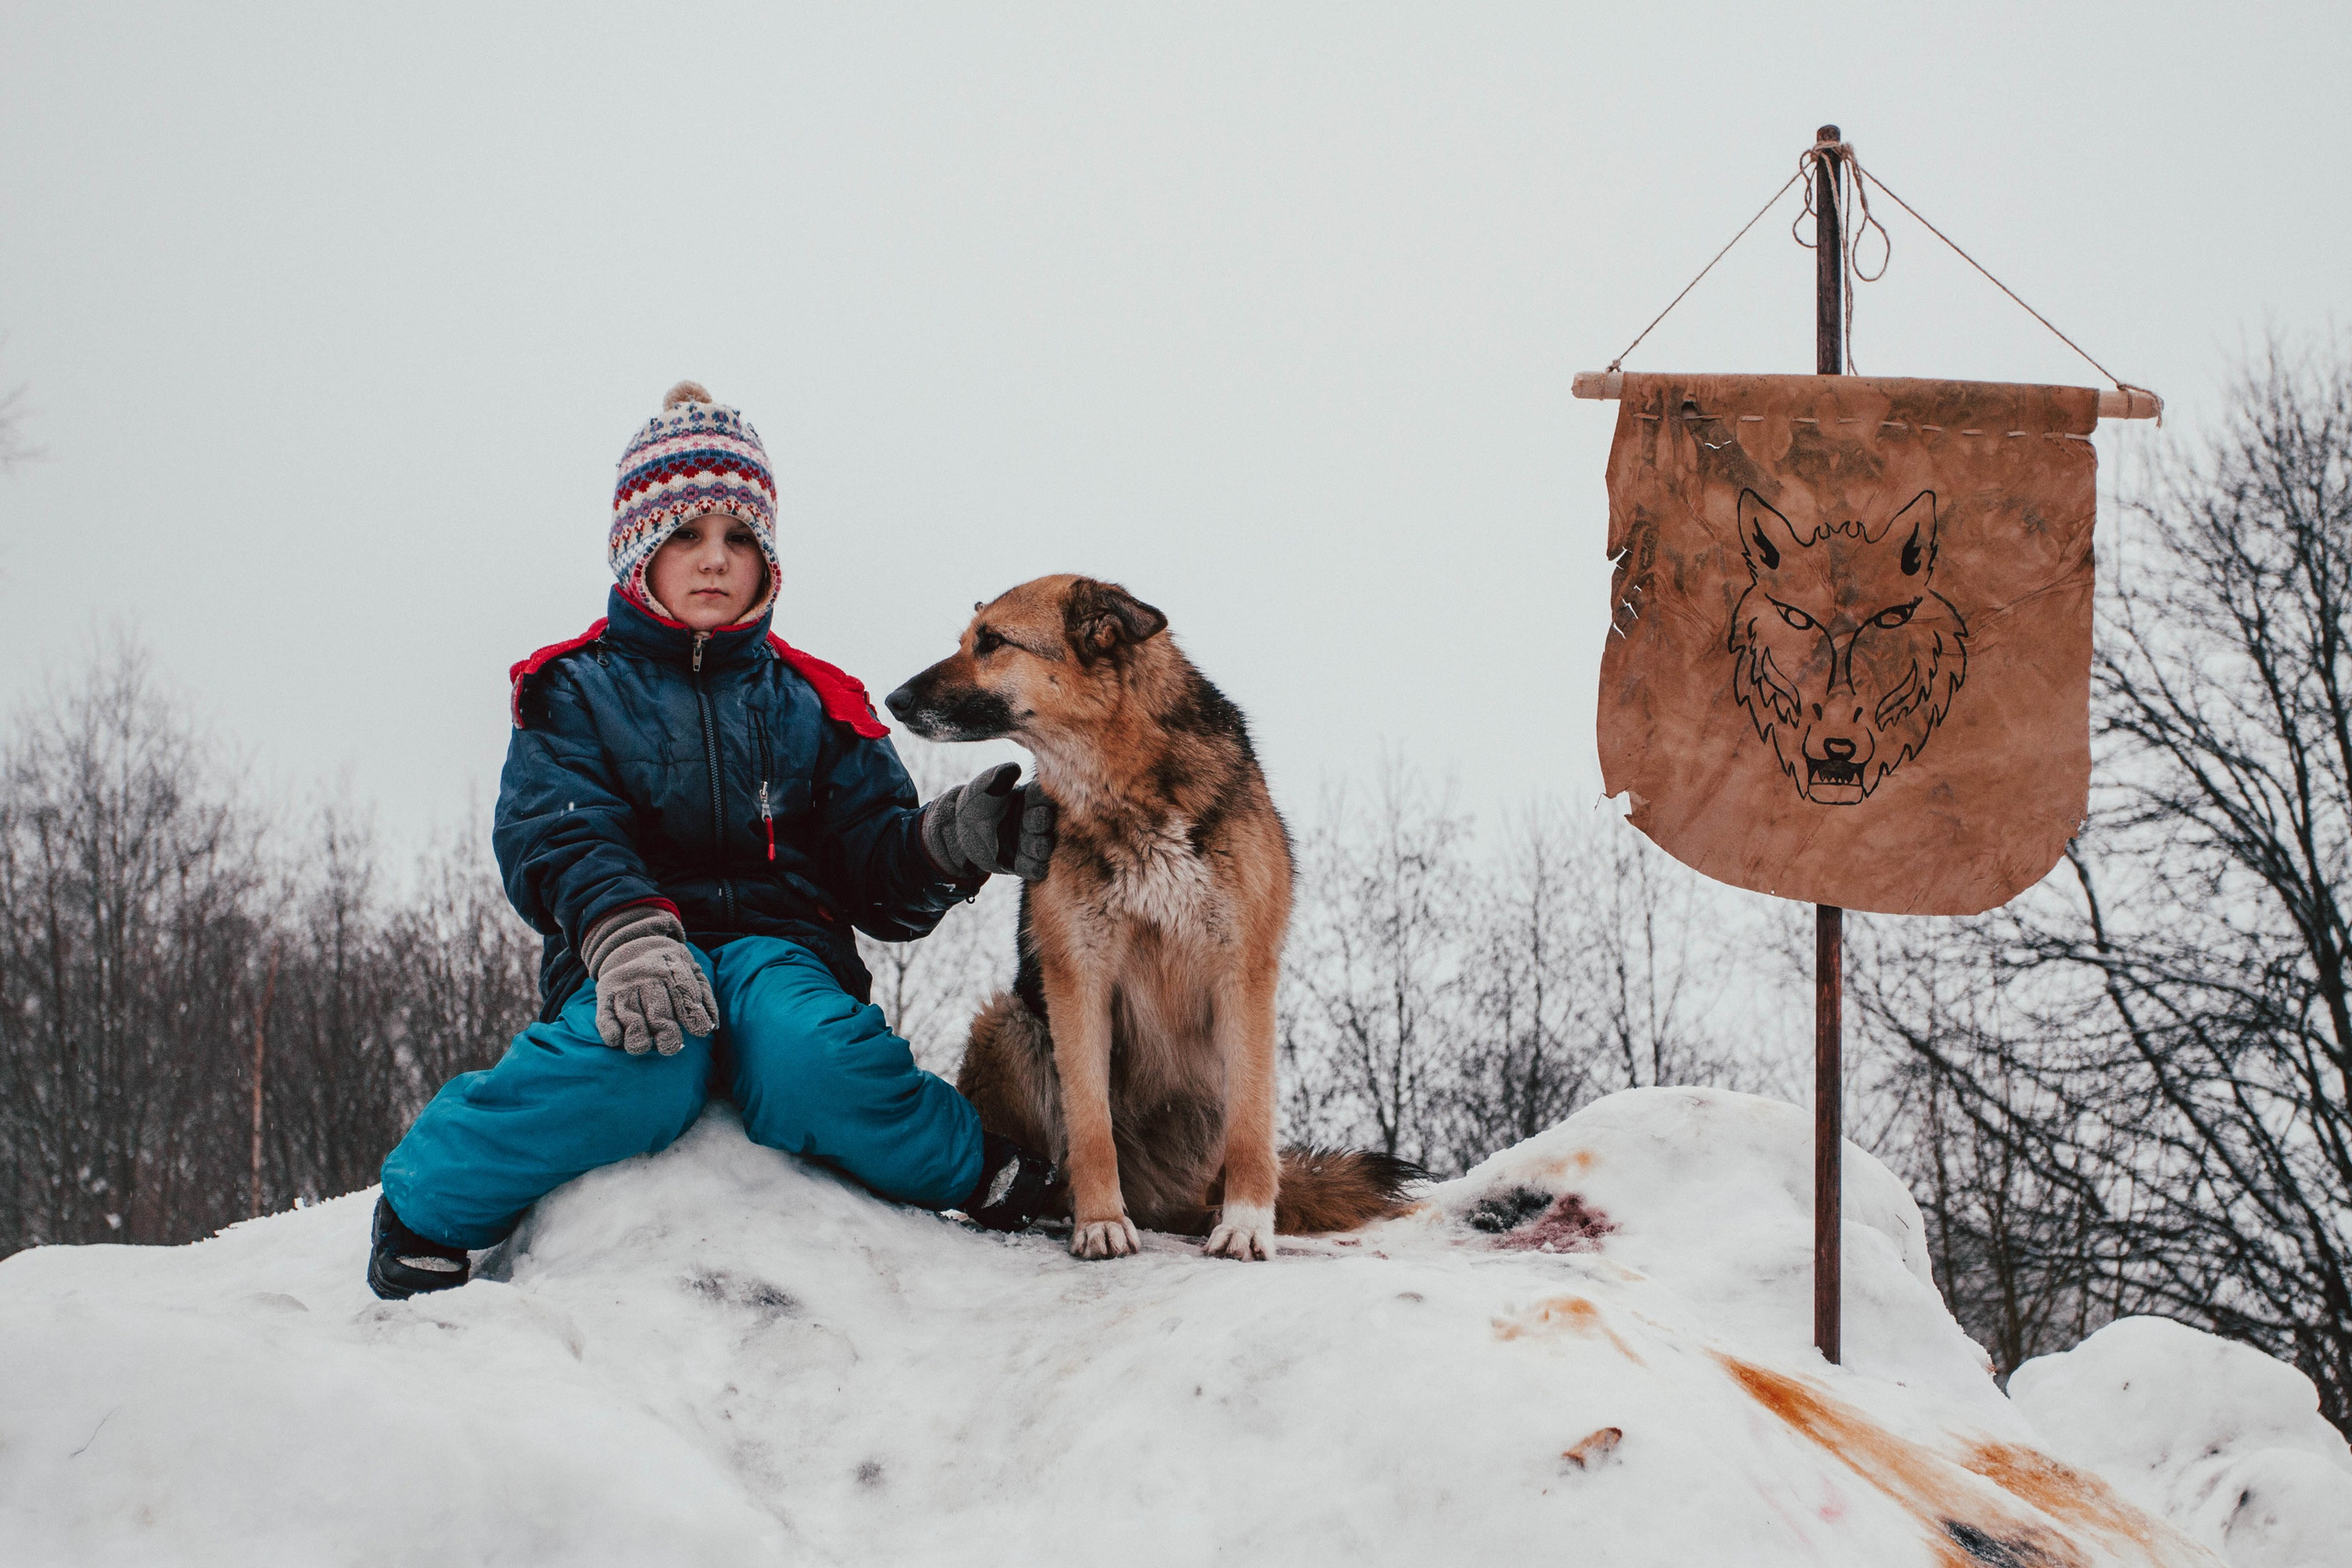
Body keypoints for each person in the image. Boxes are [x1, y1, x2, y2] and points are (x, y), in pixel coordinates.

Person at [368, 381, 1057, 1300]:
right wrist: (624, 935)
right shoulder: (574, 690)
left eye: (739, 538)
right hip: (632, 955)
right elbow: (558, 830)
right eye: (686, 534)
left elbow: (872, 867)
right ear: (637, 549)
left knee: (814, 1059)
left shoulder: (816, 701)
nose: (713, 559)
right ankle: (428, 1200)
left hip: (782, 954)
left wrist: (947, 843)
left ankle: (977, 1169)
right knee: (635, 1072)